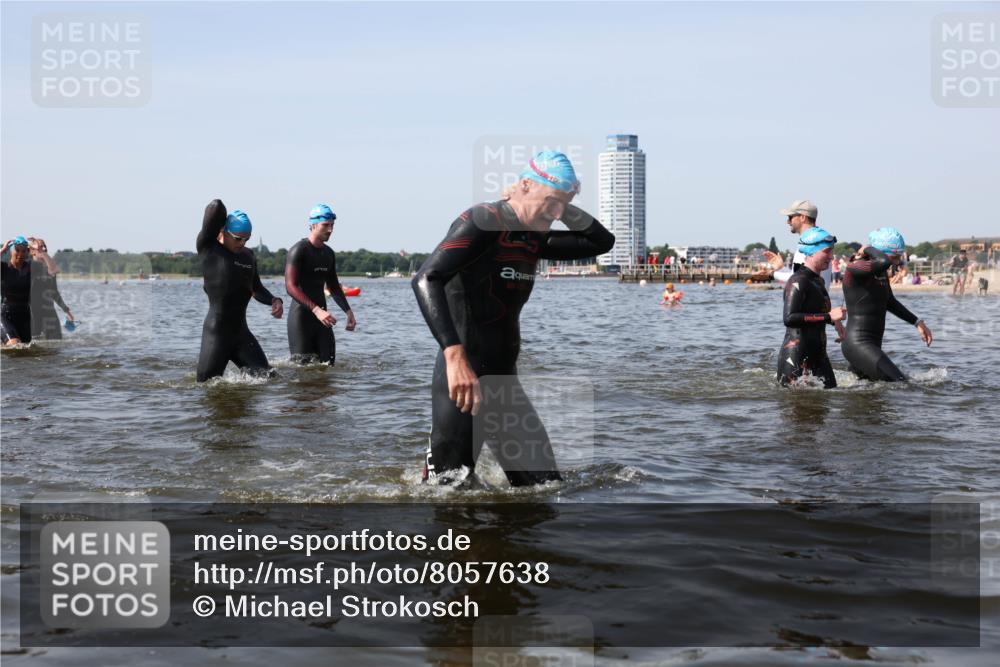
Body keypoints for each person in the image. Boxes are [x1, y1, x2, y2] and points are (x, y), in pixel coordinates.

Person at [412, 151, 614, 487]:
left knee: (546, 489)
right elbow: (425, 278)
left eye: (564, 206)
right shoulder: (483, 220)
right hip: (463, 382)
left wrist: (558, 202)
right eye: (551, 202)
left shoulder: (535, 237)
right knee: (447, 493)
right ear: (523, 185)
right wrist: (454, 356)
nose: (558, 213)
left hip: (505, 384)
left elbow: (602, 242)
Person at [195, 200, 283, 382]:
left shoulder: (248, 256)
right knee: (206, 386)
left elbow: (257, 289)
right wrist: (222, 219)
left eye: (247, 239)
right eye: (238, 238)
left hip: (242, 334)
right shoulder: (209, 248)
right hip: (217, 333)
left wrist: (275, 300)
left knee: (270, 379)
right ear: (223, 231)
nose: (242, 243)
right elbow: (215, 207)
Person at [841, 228, 932, 382]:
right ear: (879, 252)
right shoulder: (856, 268)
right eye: (894, 256)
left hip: (871, 346)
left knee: (868, 397)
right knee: (901, 384)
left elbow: (890, 302)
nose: (896, 262)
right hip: (858, 344)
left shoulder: (881, 272)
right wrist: (867, 248)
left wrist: (917, 322)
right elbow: (884, 261)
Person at [285, 204, 357, 365]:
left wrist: (348, 311)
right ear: (313, 225)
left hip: (322, 320)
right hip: (301, 319)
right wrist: (316, 310)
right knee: (302, 371)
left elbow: (333, 286)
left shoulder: (328, 253)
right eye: (326, 225)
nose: (330, 229)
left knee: (328, 367)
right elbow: (291, 286)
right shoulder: (299, 250)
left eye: (332, 225)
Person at [776, 228, 845, 389]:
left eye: (831, 252)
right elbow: (789, 318)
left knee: (827, 403)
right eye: (827, 252)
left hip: (818, 355)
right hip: (795, 356)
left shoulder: (818, 280)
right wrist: (829, 317)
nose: (831, 256)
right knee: (799, 410)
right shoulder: (798, 281)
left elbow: (816, 312)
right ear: (812, 252)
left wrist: (836, 323)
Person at [764, 200, 833, 289]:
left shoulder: (809, 244)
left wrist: (771, 274)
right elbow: (798, 274)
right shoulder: (817, 241)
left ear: (803, 217)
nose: (788, 222)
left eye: (790, 217)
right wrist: (781, 268)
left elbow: (798, 279)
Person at [28, 238, 74, 339]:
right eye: (39, 247)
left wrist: (66, 310)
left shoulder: (49, 269)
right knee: (34, 342)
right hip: (32, 313)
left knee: (56, 341)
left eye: (44, 247)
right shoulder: (27, 267)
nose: (43, 248)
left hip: (49, 313)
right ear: (32, 251)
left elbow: (54, 292)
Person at [1, 237, 34, 346]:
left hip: (24, 315)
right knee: (15, 345)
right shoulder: (4, 267)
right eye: (17, 250)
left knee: (26, 349)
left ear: (27, 252)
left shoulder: (30, 267)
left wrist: (40, 251)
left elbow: (52, 269)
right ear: (11, 252)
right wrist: (2, 250)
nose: (20, 253)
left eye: (24, 251)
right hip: (6, 314)